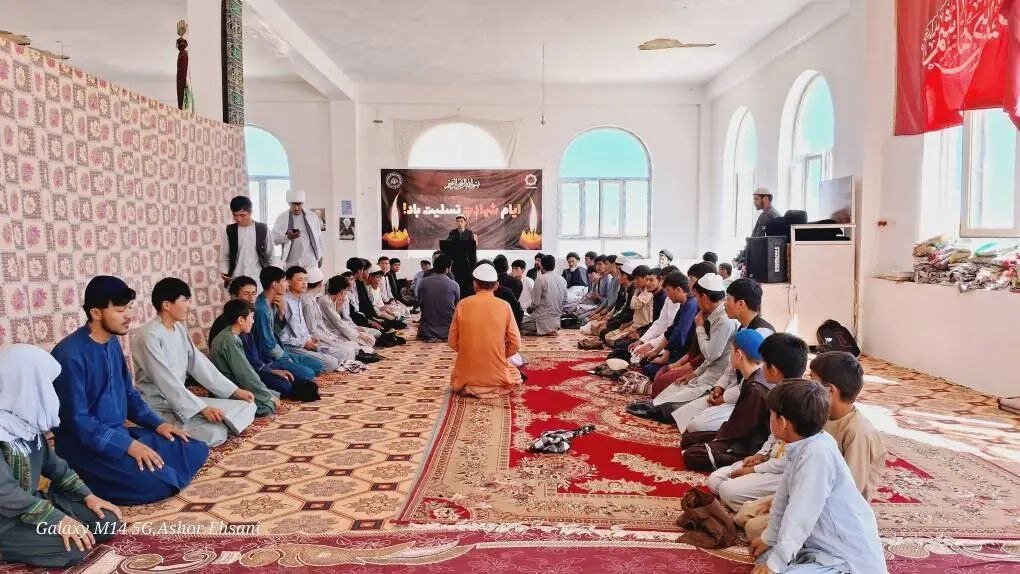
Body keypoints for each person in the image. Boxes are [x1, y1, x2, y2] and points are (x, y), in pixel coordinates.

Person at [50, 276, 208, 506]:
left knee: (192, 448)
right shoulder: (69, 355)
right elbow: (78, 422)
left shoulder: (112, 342)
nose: (129, 315)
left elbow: (129, 394)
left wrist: (158, 425)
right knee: (159, 483)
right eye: (120, 310)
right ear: (96, 313)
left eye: (129, 308)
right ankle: (80, 483)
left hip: (120, 434)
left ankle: (143, 470)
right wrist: (128, 446)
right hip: (87, 448)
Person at [738, 352, 886, 544]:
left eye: (813, 380)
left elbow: (848, 493)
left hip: (830, 511)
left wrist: (794, 509)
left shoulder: (858, 432)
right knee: (744, 513)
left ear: (830, 390)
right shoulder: (822, 415)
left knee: (753, 528)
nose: (809, 385)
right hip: (807, 489)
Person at [0, 344, 123, 567]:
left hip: (33, 503)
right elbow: (5, 492)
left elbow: (54, 466)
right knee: (74, 547)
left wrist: (88, 496)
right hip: (5, 518)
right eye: (41, 383)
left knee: (107, 522)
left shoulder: (24, 421)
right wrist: (57, 519)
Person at [747, 380, 887, 574]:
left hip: (846, 560)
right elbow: (783, 498)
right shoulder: (805, 444)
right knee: (764, 554)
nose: (769, 418)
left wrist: (776, 563)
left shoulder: (816, 454)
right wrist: (769, 538)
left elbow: (800, 515)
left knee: (773, 565)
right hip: (821, 546)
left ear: (783, 422)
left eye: (771, 414)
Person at [132, 278, 258, 448]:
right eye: (185, 300)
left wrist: (234, 391)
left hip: (184, 400)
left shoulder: (178, 329)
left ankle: (218, 423)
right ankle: (166, 430)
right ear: (166, 305)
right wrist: (201, 408)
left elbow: (199, 364)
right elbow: (166, 381)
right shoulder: (148, 336)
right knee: (216, 433)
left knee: (247, 406)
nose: (189, 306)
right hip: (159, 405)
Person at [667, 278, 776, 432]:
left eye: (728, 299)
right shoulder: (743, 328)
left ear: (741, 304)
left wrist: (724, 397)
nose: (724, 303)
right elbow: (731, 367)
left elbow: (754, 382)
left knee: (695, 425)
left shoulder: (761, 333)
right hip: (731, 392)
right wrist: (720, 386)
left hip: (749, 400)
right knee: (683, 413)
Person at [680, 331, 797, 472]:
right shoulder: (754, 378)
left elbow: (738, 432)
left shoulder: (757, 389)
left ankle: (734, 461)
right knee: (689, 439)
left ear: (738, 354)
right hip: (741, 435)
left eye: (731, 350)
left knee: (692, 455)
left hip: (749, 445)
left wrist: (715, 442)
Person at [645, 273, 739, 422]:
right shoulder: (711, 315)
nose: (696, 301)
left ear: (705, 297)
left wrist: (699, 327)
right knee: (673, 389)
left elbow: (710, 354)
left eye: (697, 297)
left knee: (672, 407)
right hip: (705, 372)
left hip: (716, 379)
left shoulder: (724, 320)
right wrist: (694, 374)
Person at [209, 277, 320, 401]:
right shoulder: (229, 325)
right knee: (285, 385)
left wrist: (272, 369)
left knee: (299, 377)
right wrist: (269, 376)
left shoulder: (249, 317)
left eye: (253, 293)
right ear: (234, 297)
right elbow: (243, 368)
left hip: (261, 362)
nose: (251, 298)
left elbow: (264, 343)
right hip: (242, 370)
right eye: (246, 294)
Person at [449, 264, 522, 397]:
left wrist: (469, 351)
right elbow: (516, 343)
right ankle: (489, 387)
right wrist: (501, 355)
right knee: (515, 374)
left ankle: (473, 386)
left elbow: (452, 342)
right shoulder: (504, 306)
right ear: (496, 285)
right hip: (496, 373)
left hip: (466, 373)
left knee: (457, 375)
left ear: (475, 284)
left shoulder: (462, 304)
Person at [209, 300, 281, 417]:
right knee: (267, 406)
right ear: (241, 320)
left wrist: (267, 394)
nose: (253, 321)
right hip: (227, 389)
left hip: (234, 384)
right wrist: (267, 396)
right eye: (251, 317)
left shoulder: (231, 336)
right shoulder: (229, 340)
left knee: (274, 394)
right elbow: (244, 374)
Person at [253, 266, 327, 379]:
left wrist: (281, 313)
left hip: (280, 350)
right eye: (284, 281)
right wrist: (286, 358)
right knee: (308, 374)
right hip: (270, 356)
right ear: (274, 284)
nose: (287, 284)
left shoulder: (274, 301)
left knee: (318, 365)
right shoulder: (262, 310)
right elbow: (268, 344)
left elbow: (275, 333)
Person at [279, 266, 352, 371]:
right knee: (332, 363)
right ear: (289, 282)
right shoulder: (284, 302)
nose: (304, 283)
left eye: (306, 279)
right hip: (292, 346)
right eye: (300, 280)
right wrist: (304, 342)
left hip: (308, 342)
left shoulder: (298, 299)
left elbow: (303, 327)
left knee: (343, 354)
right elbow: (281, 335)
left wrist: (309, 339)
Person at [301, 266, 375, 364]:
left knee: (362, 343)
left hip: (330, 333)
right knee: (350, 350)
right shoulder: (320, 301)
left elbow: (341, 320)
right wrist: (357, 335)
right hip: (322, 336)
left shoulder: (313, 299)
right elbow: (316, 329)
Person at [219, 195, 276, 290]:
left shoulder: (263, 229)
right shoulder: (230, 230)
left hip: (258, 280)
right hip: (236, 279)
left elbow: (271, 255)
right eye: (235, 215)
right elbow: (224, 255)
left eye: (242, 215)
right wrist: (224, 271)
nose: (238, 219)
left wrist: (270, 276)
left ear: (251, 212)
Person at [319, 274, 383, 352]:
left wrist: (339, 306)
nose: (346, 293)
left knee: (370, 339)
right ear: (341, 290)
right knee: (359, 344)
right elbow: (338, 323)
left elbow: (339, 320)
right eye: (345, 290)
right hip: (332, 331)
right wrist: (359, 335)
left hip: (342, 329)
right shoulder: (325, 301)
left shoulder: (337, 299)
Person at [273, 189, 323, 270]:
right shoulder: (281, 218)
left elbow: (319, 238)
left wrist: (320, 256)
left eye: (299, 204)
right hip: (292, 264)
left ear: (303, 203)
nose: (296, 208)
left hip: (311, 263)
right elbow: (274, 240)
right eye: (293, 204)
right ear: (288, 203)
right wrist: (287, 237)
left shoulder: (313, 217)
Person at [417, 254, 461, 342]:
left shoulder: (423, 282)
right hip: (448, 332)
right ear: (447, 269)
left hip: (426, 331)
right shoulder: (454, 285)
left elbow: (420, 302)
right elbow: (456, 305)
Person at [522, 254, 568, 336]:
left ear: (541, 265)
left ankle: (539, 332)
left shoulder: (540, 279)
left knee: (518, 324)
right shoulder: (562, 279)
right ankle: (548, 330)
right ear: (554, 266)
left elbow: (535, 303)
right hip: (556, 321)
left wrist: (528, 310)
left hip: (541, 320)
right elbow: (565, 301)